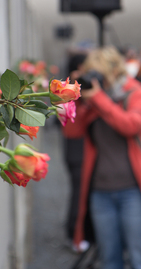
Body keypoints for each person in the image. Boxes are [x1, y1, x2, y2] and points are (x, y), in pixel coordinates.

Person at [63, 47, 141, 269]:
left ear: (113, 71)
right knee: (110, 260)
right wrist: (73, 98)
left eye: (98, 73)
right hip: (100, 192)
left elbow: (130, 126)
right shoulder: (95, 98)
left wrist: (99, 98)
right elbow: (71, 132)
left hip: (133, 190)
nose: (95, 79)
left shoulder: (136, 93)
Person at [62, 53, 87, 251]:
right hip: (77, 144)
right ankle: (75, 233)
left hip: (75, 145)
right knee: (79, 191)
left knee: (78, 190)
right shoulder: (71, 91)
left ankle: (76, 232)